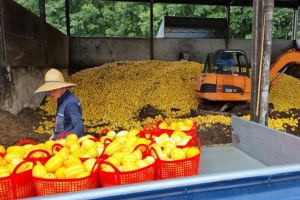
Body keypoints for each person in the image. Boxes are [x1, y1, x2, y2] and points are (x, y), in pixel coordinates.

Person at [35, 68, 84, 140]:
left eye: (54, 89)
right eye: (49, 91)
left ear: (62, 87)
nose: (51, 93)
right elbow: (64, 122)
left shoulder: (70, 104)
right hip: (60, 141)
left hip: (68, 146)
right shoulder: (61, 98)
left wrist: (70, 142)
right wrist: (55, 135)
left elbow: (79, 125)